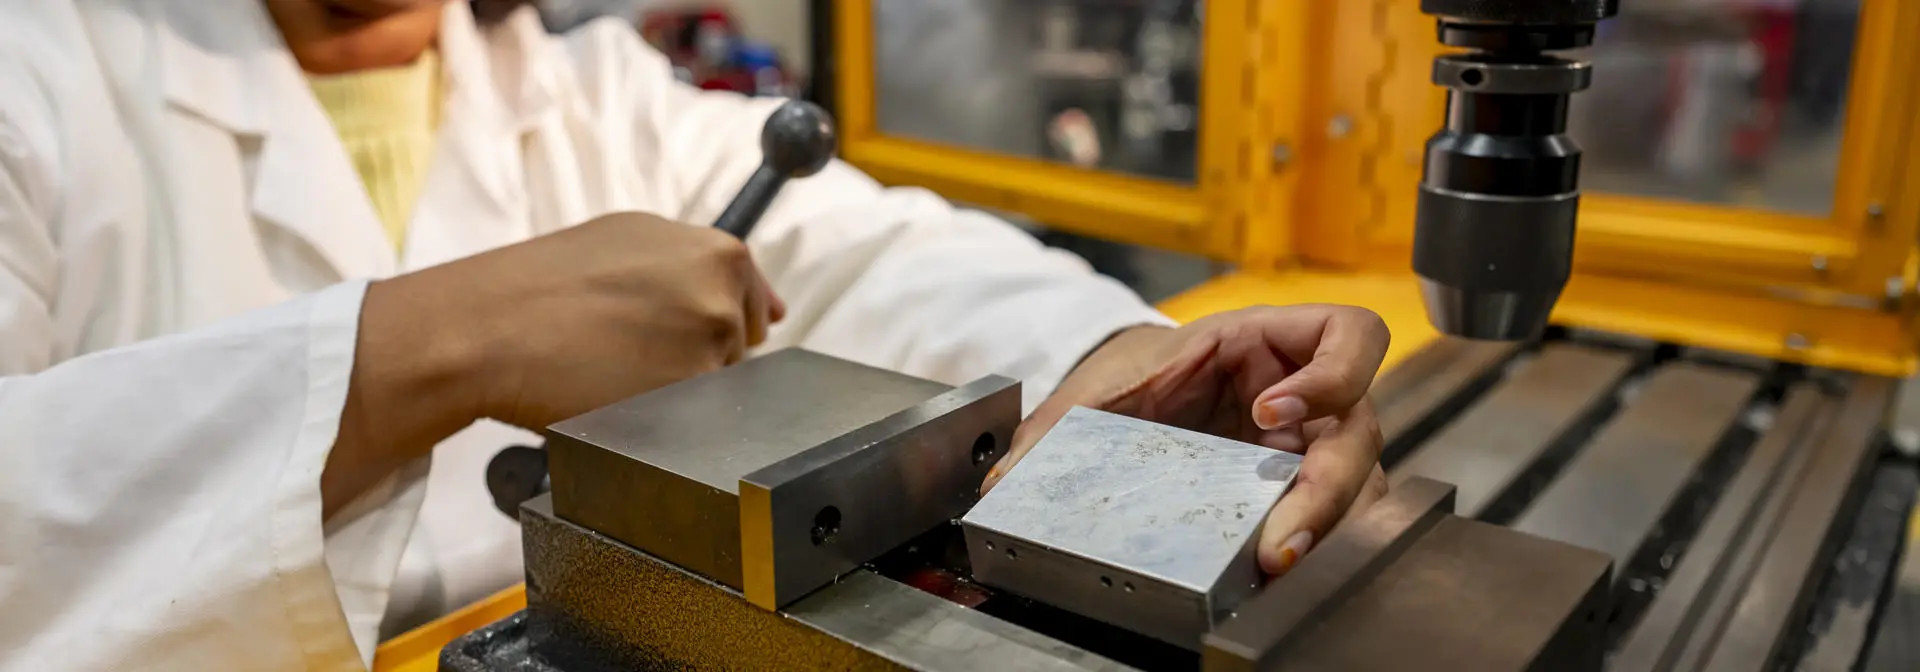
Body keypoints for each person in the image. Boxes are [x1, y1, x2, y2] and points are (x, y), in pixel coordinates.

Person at [0, 1, 1391, 669]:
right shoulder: (39, 80)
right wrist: (416, 345)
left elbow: (875, 253)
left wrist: (1121, 369)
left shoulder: (597, 98)